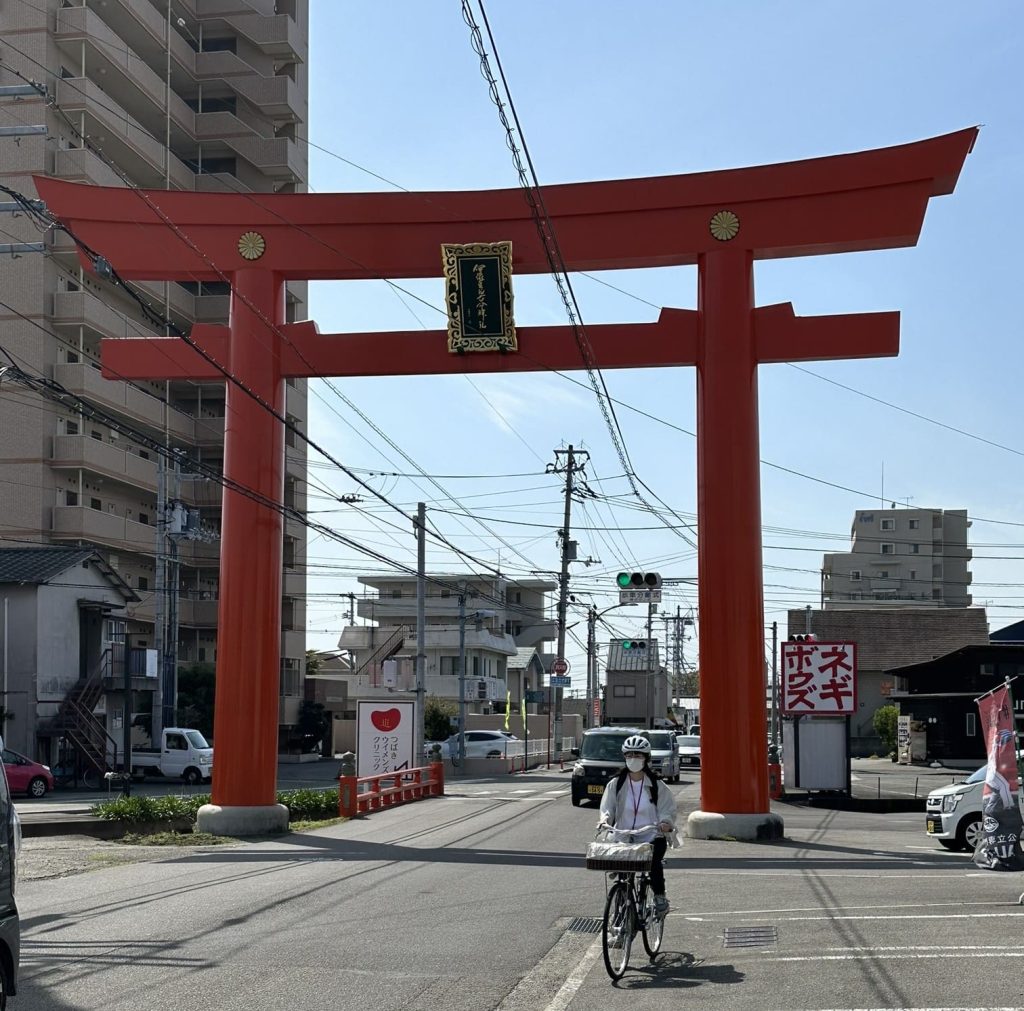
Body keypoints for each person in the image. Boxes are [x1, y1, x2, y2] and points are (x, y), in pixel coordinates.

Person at [598, 734, 677, 916]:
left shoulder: (658, 785)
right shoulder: (615, 784)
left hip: (651, 835)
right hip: (623, 836)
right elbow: (607, 808)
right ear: (624, 757)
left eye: (638, 755)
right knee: (623, 878)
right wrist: (604, 820)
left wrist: (665, 823)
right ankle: (619, 919)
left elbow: (667, 809)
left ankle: (659, 896)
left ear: (646, 759)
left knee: (654, 862)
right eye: (629, 755)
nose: (633, 759)